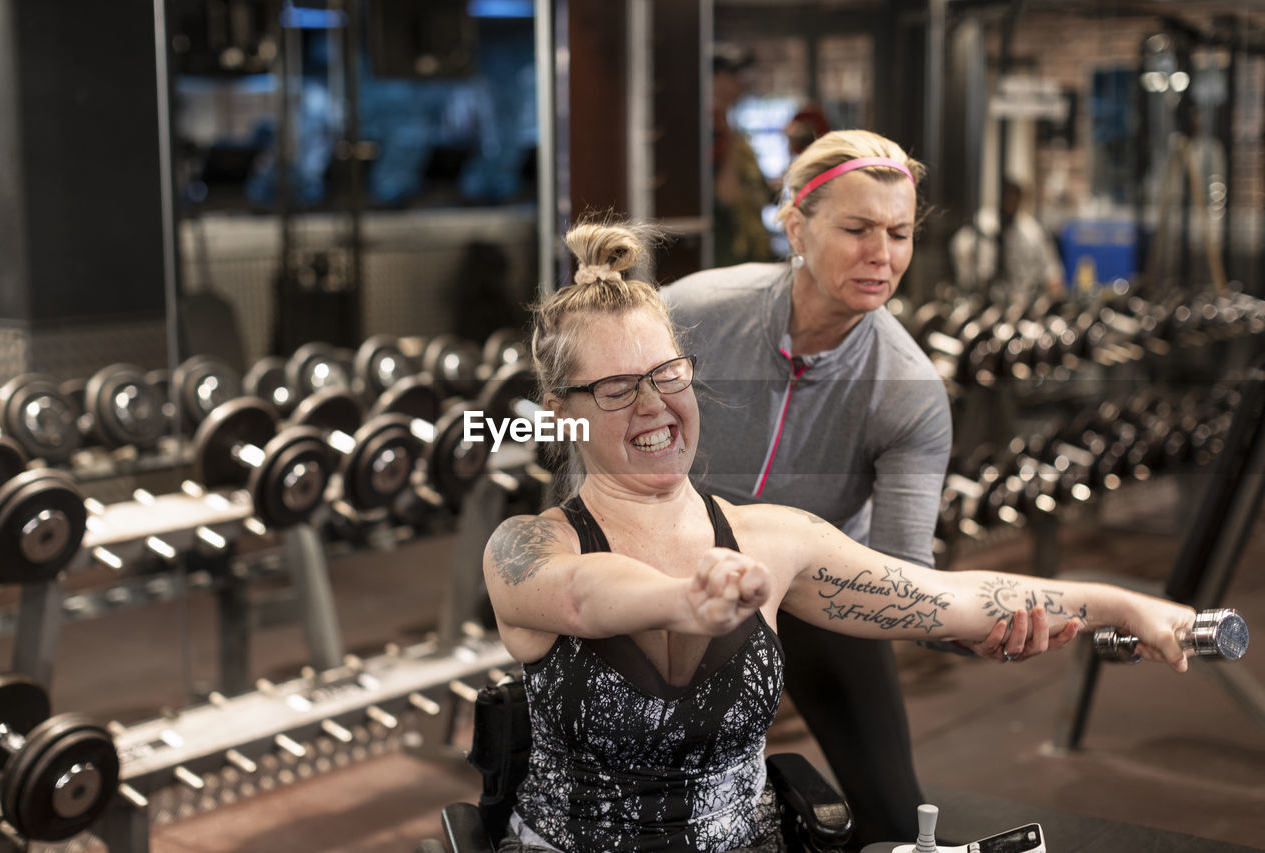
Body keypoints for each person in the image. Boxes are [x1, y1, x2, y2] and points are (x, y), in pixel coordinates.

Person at [482, 218, 1196, 852]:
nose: (654, 404)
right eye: (616, 388)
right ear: (561, 413)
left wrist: (1123, 605)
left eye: (669, 373)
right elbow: (582, 596)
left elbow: (947, 595)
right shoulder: (528, 547)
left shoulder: (771, 538)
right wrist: (684, 601)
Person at [664, 129, 1038, 845]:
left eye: (899, 233)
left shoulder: (909, 391)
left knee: (894, 815)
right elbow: (593, 428)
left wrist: (981, 633)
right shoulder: (695, 312)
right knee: (652, 808)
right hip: (672, 574)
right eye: (858, 228)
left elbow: (902, 581)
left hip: (816, 592)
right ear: (796, 226)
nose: (882, 254)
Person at [950, 177, 1066, 302]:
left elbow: (1052, 272)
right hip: (983, 300)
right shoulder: (982, 225)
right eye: (1007, 198)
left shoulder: (1032, 232)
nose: (1011, 203)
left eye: (1015, 199)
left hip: (1023, 302)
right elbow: (960, 250)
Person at [712, 44, 775, 267]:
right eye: (733, 75)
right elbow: (727, 195)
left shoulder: (726, 123)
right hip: (724, 250)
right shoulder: (710, 127)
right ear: (715, 78)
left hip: (745, 246)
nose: (741, 82)